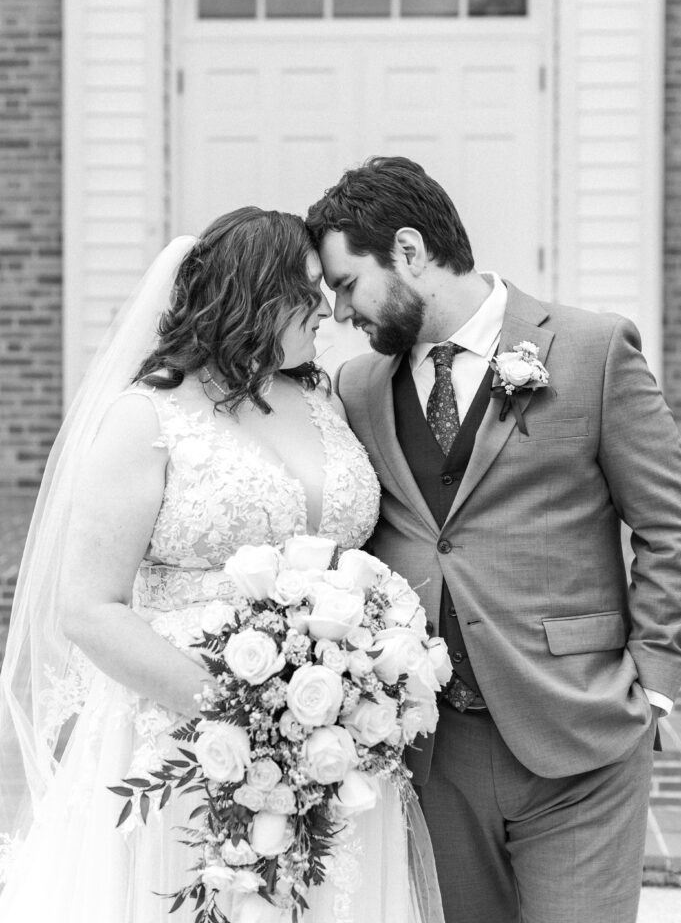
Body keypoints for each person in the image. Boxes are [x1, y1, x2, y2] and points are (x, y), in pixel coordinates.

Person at [0, 207, 443, 923]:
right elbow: (87, 606)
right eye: (307, 290)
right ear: (255, 295)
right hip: (185, 740)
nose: (328, 312)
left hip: (333, 739)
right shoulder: (147, 417)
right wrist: (241, 715)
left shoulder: (324, 399)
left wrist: (352, 686)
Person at [306, 156, 681, 923]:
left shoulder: (591, 350)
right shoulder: (357, 389)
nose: (340, 314)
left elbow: (667, 521)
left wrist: (655, 685)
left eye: (346, 285)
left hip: (577, 734)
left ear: (407, 252)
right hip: (427, 751)